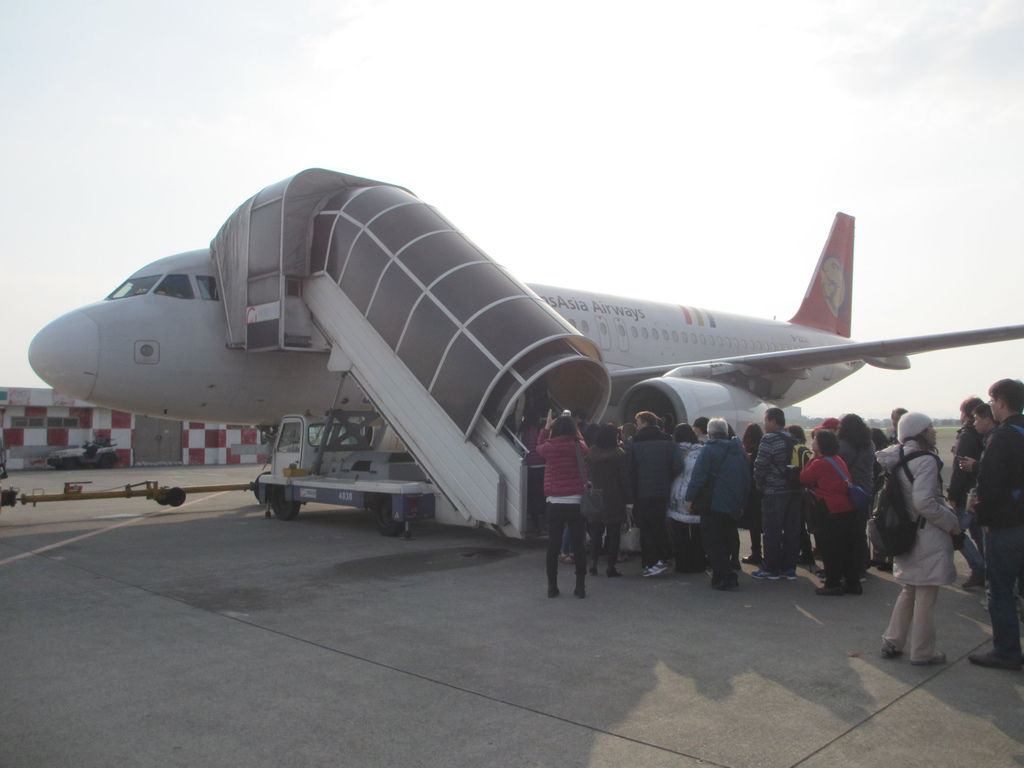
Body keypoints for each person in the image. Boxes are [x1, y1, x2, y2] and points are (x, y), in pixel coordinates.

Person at [877, 412, 961, 666]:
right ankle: (923, 651)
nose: (933, 431)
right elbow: (924, 502)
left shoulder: (896, 456)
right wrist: (952, 523)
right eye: (929, 428)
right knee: (926, 594)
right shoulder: (925, 461)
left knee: (909, 589)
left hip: (906, 531)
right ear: (919, 432)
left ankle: (893, 640)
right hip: (926, 534)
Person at [969, 379, 1024, 671]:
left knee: (1000, 589)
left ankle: (1006, 651)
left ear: (1001, 401)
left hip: (1007, 524)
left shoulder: (1001, 438)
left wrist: (984, 519)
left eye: (991, 401)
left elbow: (988, 483)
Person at [685, 418, 750, 590]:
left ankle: (726, 575)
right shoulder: (739, 451)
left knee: (712, 541)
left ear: (709, 433)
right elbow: (746, 478)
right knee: (727, 538)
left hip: (714, 501)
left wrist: (689, 498)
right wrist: (742, 502)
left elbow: (699, 476)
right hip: (733, 502)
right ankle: (720, 574)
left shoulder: (708, 450)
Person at [800, 429, 860, 595]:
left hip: (829, 508)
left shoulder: (820, 463)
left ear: (820, 445)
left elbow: (803, 477)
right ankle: (852, 582)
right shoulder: (837, 459)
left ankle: (833, 583)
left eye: (814, 440)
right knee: (846, 548)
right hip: (847, 507)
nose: (812, 442)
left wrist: (812, 458)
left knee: (830, 548)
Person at [536, 411, 589, 598]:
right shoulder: (578, 446)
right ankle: (580, 586)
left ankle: (552, 586)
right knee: (579, 545)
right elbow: (585, 447)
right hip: (576, 501)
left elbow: (538, 447)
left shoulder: (549, 447)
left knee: (553, 545)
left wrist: (546, 428)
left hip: (555, 501)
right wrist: (577, 432)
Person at [629, 411, 683, 577]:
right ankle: (663, 558)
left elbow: (630, 469)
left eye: (638, 422)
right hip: (662, 490)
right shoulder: (668, 440)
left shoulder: (635, 442)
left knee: (645, 527)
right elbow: (678, 465)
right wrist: (667, 478)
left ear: (644, 422)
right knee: (660, 524)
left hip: (642, 490)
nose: (637, 425)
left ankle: (652, 562)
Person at [752, 407, 802, 580]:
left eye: (766, 420)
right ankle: (789, 568)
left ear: (773, 421)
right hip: (794, 490)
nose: (764, 424)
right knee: (791, 531)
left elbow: (760, 465)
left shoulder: (769, 439)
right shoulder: (793, 438)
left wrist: (759, 484)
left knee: (772, 530)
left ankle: (771, 568)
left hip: (774, 490)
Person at [947, 396, 987, 589]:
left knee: (957, 532)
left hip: (966, 493)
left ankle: (978, 568)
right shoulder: (985, 433)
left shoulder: (967, 434)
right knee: (979, 534)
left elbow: (960, 467)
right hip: (980, 491)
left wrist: (953, 495)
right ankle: (987, 569)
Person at [585, 423, 632, 578]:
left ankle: (593, 563)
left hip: (596, 495)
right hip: (614, 496)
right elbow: (624, 479)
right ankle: (611, 566)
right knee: (614, 533)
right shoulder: (619, 454)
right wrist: (629, 498)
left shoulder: (591, 453)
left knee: (596, 532)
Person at [838, 413, 875, 576]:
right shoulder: (869, 444)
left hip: (849, 491)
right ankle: (862, 566)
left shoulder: (843, 446)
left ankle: (851, 569)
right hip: (865, 489)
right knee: (860, 531)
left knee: (847, 532)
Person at [666, 423, 706, 573]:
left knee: (679, 532)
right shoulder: (701, 451)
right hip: (695, 494)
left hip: (676, 494)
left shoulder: (672, 451)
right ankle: (699, 562)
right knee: (697, 532)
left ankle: (683, 563)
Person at [739, 423, 764, 566]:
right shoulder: (762, 449)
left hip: (751, 493)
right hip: (763, 492)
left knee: (754, 526)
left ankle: (756, 553)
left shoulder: (747, 452)